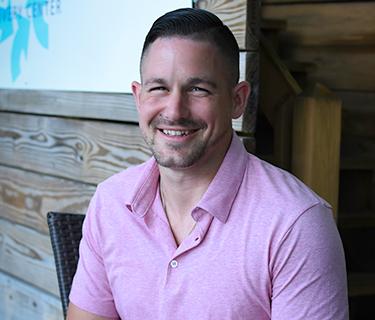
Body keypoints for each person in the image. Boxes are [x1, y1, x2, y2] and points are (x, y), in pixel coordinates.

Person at [67, 8, 348, 320]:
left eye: (198, 89)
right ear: (138, 97)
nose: (174, 111)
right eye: (159, 87)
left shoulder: (296, 223)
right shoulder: (111, 203)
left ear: (238, 100)